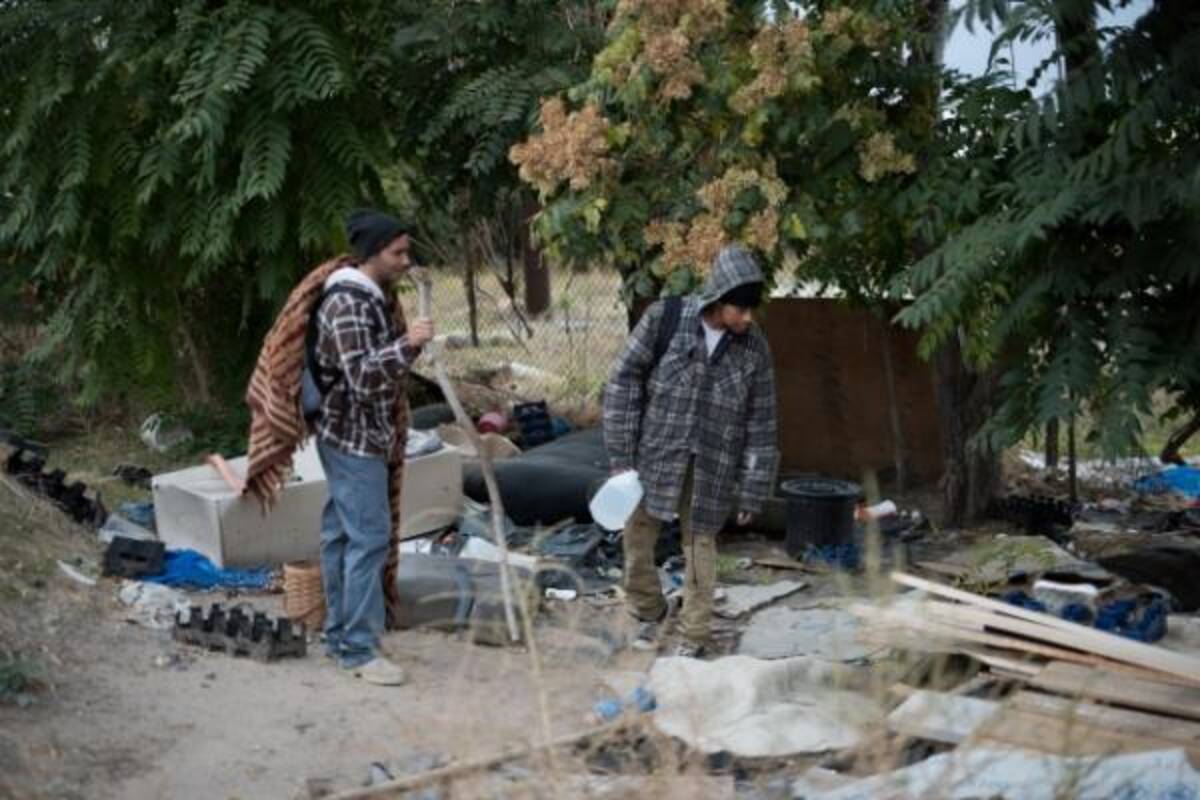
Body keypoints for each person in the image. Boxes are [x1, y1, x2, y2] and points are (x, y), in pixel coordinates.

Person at [602, 245, 779, 658]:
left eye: (753, 309)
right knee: (637, 535)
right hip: (656, 453)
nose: (748, 318)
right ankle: (647, 608)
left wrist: (752, 489)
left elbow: (762, 423)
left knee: (699, 547)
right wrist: (621, 458)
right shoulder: (665, 319)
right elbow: (623, 382)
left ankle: (694, 635)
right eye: (742, 308)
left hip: (712, 467)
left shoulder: (754, 350)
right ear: (719, 298)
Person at [308, 209, 434, 685]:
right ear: (371, 254)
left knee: (342, 534)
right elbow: (362, 377)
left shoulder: (371, 298)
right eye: (397, 252)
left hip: (358, 433)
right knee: (369, 538)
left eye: (407, 251)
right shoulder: (348, 305)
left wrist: (404, 347)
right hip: (352, 437)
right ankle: (358, 650)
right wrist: (408, 344)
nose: (406, 260)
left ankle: (340, 635)